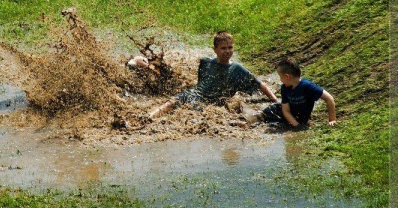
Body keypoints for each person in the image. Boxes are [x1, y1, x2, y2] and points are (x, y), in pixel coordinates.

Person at [138, 31, 279, 119]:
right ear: (215, 49)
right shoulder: (205, 62)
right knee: (172, 103)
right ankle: (148, 117)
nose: (227, 51)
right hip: (193, 94)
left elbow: (261, 85)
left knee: (188, 115)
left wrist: (276, 101)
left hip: (208, 103)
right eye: (223, 48)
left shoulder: (237, 69)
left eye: (230, 47)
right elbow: (200, 83)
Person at [261, 57, 336, 129]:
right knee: (264, 116)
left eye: (280, 77)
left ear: (287, 76)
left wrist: (332, 119)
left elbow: (329, 98)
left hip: (299, 117)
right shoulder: (284, 88)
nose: (280, 80)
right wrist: (296, 125)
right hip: (281, 113)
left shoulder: (307, 86)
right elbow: (285, 110)